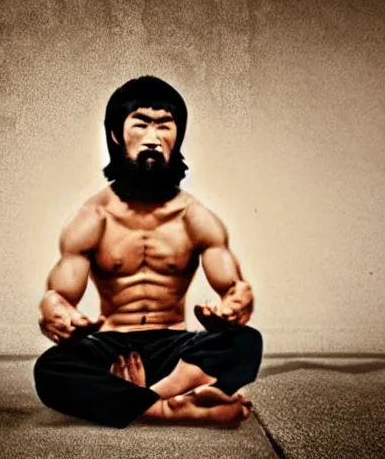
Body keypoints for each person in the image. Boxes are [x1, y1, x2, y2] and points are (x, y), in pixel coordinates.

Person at [34, 76, 262, 429]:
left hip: (175, 349)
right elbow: (59, 296)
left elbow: (235, 289)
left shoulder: (195, 217)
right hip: (113, 345)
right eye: (141, 125)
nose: (154, 139)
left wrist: (235, 303)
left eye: (165, 126)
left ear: (178, 136)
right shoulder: (93, 218)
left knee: (246, 342)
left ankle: (145, 398)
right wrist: (56, 312)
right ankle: (167, 407)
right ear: (115, 134)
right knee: (50, 369)